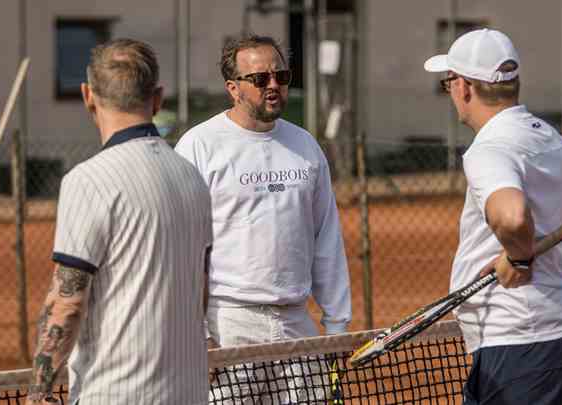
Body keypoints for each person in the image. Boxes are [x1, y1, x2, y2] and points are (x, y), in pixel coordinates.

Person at [424, 29, 562, 405]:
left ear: (464, 87)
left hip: (518, 349)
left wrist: (518, 257)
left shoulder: (489, 150)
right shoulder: (551, 140)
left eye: (448, 81)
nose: (449, 91)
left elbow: (513, 216)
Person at [25, 39, 212, 405]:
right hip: (188, 393)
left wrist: (38, 392)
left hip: (116, 393)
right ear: (157, 98)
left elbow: (67, 302)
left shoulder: (87, 181)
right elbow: (201, 290)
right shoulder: (192, 178)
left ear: (87, 96)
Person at [175, 34, 351, 403]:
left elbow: (327, 238)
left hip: (297, 324)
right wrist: (197, 335)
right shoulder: (199, 146)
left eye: (281, 77)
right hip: (228, 325)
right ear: (233, 88)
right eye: (259, 79)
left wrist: (336, 325)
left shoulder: (305, 146)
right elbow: (179, 250)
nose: (273, 86)